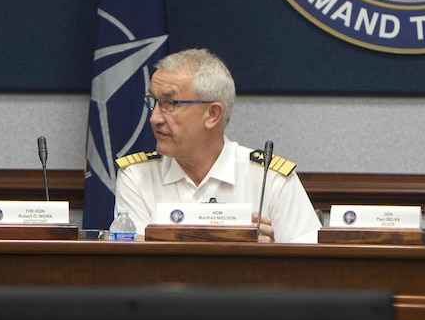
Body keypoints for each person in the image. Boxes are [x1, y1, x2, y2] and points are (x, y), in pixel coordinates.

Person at [114, 48, 321, 243]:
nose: (154, 118)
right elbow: (137, 267)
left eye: (170, 104)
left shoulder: (271, 179)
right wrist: (230, 243)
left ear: (212, 114)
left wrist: (269, 257)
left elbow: (313, 269)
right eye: (154, 102)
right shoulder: (136, 176)